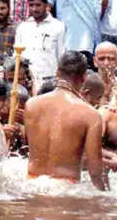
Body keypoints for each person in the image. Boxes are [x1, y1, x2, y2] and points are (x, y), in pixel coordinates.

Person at [24, 51, 107, 189]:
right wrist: (105, 197)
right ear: (84, 77)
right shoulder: (90, 115)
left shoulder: (31, 104)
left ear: (57, 72)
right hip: (66, 188)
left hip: (31, 184)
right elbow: (95, 171)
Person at [16, 0, 66, 91]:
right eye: (31, 5)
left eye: (38, 5)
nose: (34, 9)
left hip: (50, 82)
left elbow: (62, 57)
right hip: (27, 83)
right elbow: (17, 57)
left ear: (46, 5)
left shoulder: (58, 26)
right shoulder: (23, 27)